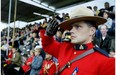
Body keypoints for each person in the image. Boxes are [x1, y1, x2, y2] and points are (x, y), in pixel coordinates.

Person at [39, 7, 115, 75]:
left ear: (92, 31)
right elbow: (48, 45)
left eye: (78, 27)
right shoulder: (65, 48)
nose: (71, 30)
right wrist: (48, 35)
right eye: (71, 27)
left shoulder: (106, 62)